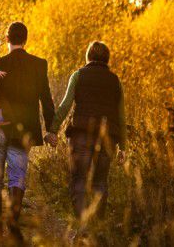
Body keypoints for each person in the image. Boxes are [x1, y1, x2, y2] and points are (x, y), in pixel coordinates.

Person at [0, 21, 57, 239]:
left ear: (7, 39)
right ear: (25, 40)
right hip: (24, 128)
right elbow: (46, 99)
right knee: (18, 175)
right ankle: (13, 223)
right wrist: (51, 129)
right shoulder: (39, 64)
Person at [48, 40, 126, 225]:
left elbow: (66, 105)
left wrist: (53, 130)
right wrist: (123, 146)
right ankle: (97, 229)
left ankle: (83, 226)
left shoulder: (78, 75)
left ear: (88, 57)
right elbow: (121, 115)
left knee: (79, 180)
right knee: (100, 182)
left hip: (81, 135)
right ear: (107, 59)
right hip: (107, 137)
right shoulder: (115, 81)